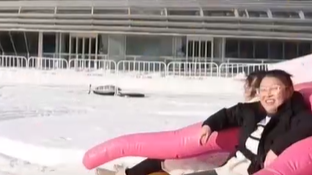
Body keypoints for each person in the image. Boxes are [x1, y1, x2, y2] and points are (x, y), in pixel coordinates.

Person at [103, 71, 266, 175]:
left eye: (247, 86)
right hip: (224, 156)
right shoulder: (251, 110)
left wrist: (209, 127)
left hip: (224, 158)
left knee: (164, 160)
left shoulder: (250, 110)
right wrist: (209, 126)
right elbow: (224, 117)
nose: (245, 90)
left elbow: (227, 118)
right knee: (166, 160)